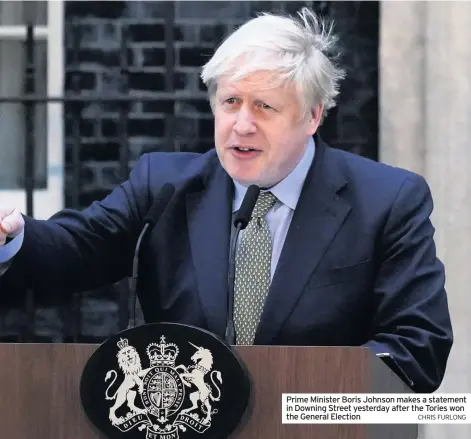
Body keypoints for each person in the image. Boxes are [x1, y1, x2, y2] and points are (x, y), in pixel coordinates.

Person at [0, 8, 452, 393]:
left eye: (264, 107)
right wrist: (12, 235)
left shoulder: (388, 201)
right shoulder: (166, 186)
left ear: (313, 116)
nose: (241, 125)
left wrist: (297, 397)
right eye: (231, 101)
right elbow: (79, 249)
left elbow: (418, 347)